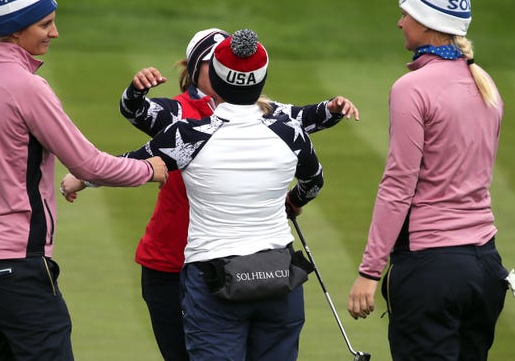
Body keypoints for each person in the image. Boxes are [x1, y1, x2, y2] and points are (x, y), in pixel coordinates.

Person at [0, 0, 167, 361]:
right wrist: (150, 170)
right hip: (16, 264)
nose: (55, 33)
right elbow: (87, 163)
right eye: (45, 24)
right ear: (15, 30)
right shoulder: (28, 88)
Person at [62, 28, 326, 360]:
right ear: (261, 80)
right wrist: (294, 202)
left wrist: (85, 178)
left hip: (215, 283)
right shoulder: (290, 132)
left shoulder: (191, 136)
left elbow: (132, 164)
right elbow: (314, 181)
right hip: (278, 280)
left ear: (215, 76)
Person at [346, 0, 510, 361]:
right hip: (487, 266)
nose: (400, 22)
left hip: (430, 270)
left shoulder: (411, 88)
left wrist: (369, 272)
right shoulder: (484, 81)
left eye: (407, 13)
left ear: (426, 23)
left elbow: (399, 185)